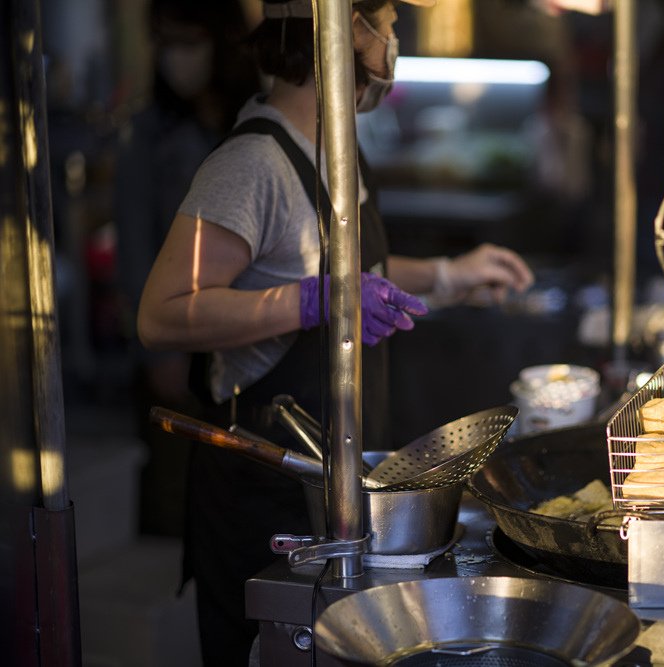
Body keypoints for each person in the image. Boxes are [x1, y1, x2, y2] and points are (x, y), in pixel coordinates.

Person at [136, 0, 534, 664]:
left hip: (332, 482)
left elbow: (355, 271)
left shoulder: (332, 148)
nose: (396, 42)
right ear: (351, 29)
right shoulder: (252, 165)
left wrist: (449, 272)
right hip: (264, 490)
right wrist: (309, 302)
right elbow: (162, 312)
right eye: (392, 25)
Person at [115, 0, 260, 538]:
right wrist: (158, 350)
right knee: (181, 498)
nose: (178, 59)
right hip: (176, 334)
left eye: (188, 42)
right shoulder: (149, 135)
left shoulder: (250, 124)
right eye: (166, 44)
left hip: (246, 336)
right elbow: (134, 249)